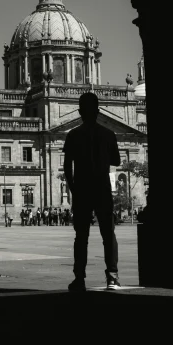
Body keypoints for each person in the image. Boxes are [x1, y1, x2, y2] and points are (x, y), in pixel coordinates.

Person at [63, 92, 121, 292]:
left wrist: (73, 189)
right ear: (98, 111)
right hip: (103, 190)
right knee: (108, 235)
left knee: (81, 237)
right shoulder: (109, 134)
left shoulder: (73, 135)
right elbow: (116, 162)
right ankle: (112, 276)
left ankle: (79, 278)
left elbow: (66, 167)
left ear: (79, 112)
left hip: (82, 190)